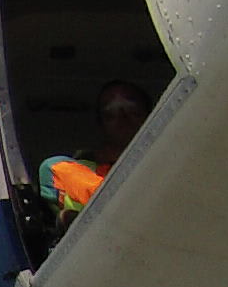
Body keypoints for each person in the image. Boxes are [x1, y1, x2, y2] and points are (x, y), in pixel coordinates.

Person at [36, 77, 154, 219]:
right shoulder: (60, 167)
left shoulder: (172, 160)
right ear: (101, 124)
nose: (123, 117)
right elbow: (111, 202)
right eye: (111, 113)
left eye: (132, 110)